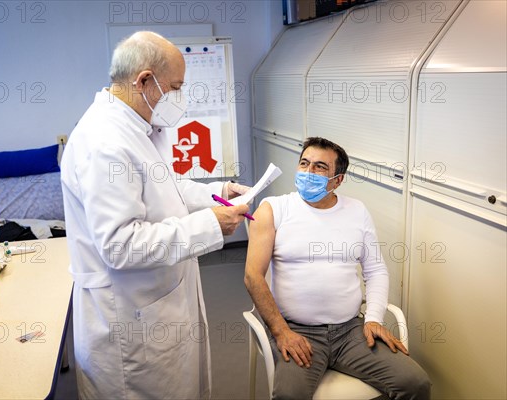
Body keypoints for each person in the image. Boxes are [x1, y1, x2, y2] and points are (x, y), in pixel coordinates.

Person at [60, 31, 251, 399]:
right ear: (145, 80)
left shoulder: (139, 124)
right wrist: (209, 225)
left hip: (159, 299)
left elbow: (165, 182)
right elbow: (120, 245)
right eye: (175, 87)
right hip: (130, 320)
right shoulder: (105, 143)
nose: (178, 97)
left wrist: (219, 193)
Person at [244, 137, 431, 399]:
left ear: (338, 180)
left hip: (351, 331)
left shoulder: (357, 211)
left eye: (320, 167)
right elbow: (253, 277)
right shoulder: (274, 210)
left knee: (416, 383)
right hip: (296, 331)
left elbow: (375, 270)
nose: (309, 172)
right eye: (304, 163)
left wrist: (374, 318)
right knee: (289, 395)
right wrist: (281, 331)